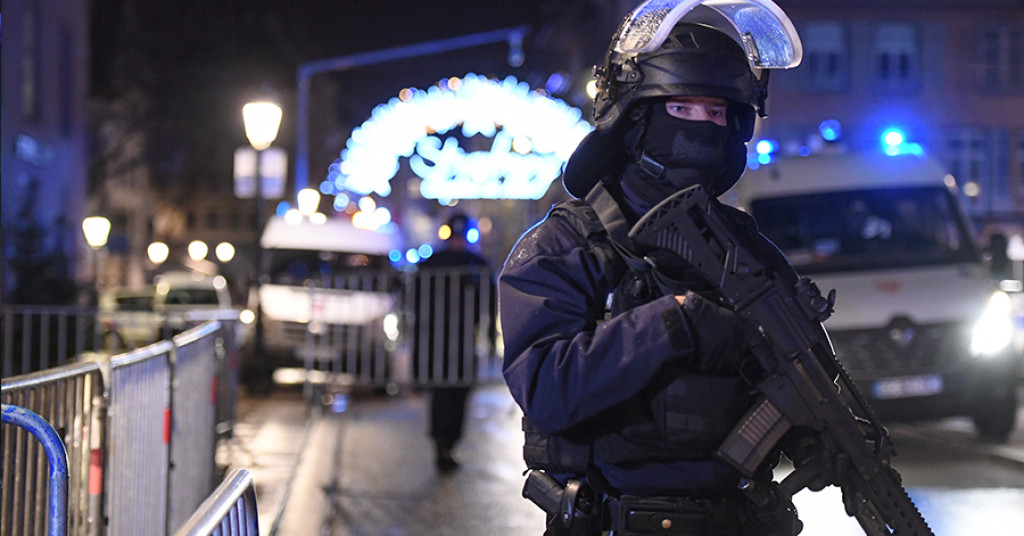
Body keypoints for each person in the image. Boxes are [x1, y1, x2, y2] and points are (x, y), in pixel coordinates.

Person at [499, 1, 805, 534]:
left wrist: (817, 435)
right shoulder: (566, 245)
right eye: (682, 108)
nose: (703, 127)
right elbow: (546, 388)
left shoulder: (749, 250)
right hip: (617, 519)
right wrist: (673, 323)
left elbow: (799, 369)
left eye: (717, 113)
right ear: (634, 118)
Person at [412, 213, 495, 473]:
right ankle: (443, 444)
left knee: (456, 392)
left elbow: (489, 303)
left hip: (457, 338)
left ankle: (448, 443)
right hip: (443, 339)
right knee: (445, 392)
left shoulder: (469, 264)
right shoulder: (466, 264)